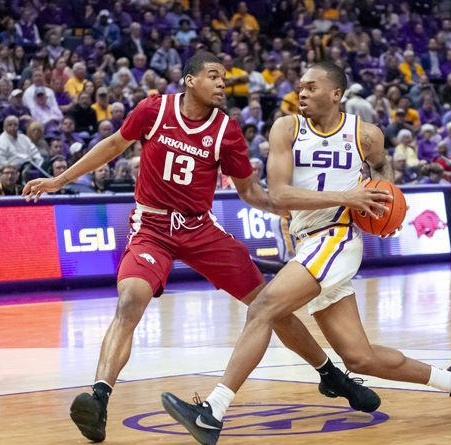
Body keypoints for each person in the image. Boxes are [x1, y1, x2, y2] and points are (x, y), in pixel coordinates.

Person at [22, 53, 378, 443]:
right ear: (190, 80)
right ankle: (99, 398)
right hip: (153, 227)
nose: (223, 83)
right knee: (130, 301)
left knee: (268, 303)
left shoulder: (227, 130)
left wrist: (287, 202)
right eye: (214, 76)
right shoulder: (153, 110)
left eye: (224, 78)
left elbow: (249, 193)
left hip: (200, 229)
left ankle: (331, 376)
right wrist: (60, 179)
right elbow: (112, 145)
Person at [161, 62, 451, 445]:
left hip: (337, 239)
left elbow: (382, 169)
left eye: (310, 87)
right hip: (307, 242)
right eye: (299, 87)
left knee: (264, 308)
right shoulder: (287, 129)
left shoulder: (366, 135)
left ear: (336, 94)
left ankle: (212, 412)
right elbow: (280, 194)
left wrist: (389, 204)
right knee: (360, 358)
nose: (301, 93)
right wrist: (348, 195)